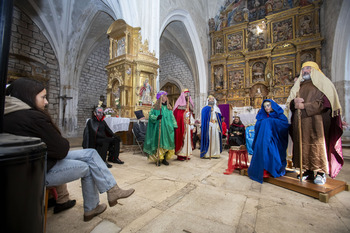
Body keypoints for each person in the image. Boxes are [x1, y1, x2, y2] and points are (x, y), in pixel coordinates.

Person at [4, 78, 135, 222]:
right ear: (27, 96)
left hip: (32, 165)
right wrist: (61, 141)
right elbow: (61, 150)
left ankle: (112, 191)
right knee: (89, 166)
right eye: (43, 97)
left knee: (91, 153)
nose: (46, 102)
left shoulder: (10, 114)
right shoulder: (31, 117)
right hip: (38, 171)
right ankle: (93, 206)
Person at [286, 61, 344, 185]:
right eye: (303, 69)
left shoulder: (324, 84)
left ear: (315, 69)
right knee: (303, 145)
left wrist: (304, 105)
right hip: (301, 121)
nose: (305, 70)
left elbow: (326, 103)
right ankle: (307, 171)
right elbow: (290, 103)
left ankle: (321, 172)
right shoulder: (298, 86)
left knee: (317, 146)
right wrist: (294, 103)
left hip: (317, 122)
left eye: (308, 68)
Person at [248, 99, 289, 183]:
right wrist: (265, 123)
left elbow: (284, 125)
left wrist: (270, 121)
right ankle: (264, 170)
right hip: (263, 139)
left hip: (274, 139)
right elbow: (257, 126)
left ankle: (271, 169)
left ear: (272, 106)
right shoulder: (262, 116)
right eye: (265, 106)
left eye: (268, 105)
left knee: (272, 153)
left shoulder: (280, 115)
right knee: (263, 151)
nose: (266, 108)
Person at [143, 91, 178, 166]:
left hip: (168, 128)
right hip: (159, 128)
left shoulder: (168, 107)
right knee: (159, 142)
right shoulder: (155, 107)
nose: (166, 97)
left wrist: (174, 125)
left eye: (166, 96)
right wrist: (156, 117)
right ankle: (158, 159)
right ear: (160, 98)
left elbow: (172, 117)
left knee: (167, 142)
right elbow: (151, 115)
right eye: (164, 96)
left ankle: (164, 159)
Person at [174, 89, 195, 161]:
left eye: (189, 95)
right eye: (186, 95)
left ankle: (187, 153)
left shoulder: (189, 105)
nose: (188, 96)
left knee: (187, 139)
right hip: (182, 126)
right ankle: (180, 155)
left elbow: (191, 115)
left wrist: (192, 122)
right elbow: (177, 115)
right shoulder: (179, 106)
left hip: (188, 125)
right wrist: (184, 115)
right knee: (182, 139)